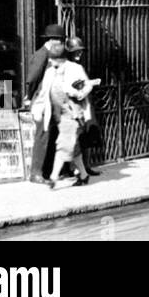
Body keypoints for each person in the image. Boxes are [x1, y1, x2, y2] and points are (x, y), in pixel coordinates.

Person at [46, 36, 95, 189]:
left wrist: (79, 93)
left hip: (73, 112)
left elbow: (87, 85)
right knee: (73, 147)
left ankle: (53, 177)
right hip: (62, 112)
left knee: (64, 144)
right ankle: (84, 175)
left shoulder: (75, 68)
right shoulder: (56, 69)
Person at [24, 24, 66, 184]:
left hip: (52, 102)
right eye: (59, 40)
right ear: (52, 40)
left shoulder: (52, 54)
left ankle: (48, 171)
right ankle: (35, 173)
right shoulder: (42, 54)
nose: (61, 43)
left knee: (51, 135)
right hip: (42, 102)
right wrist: (29, 96)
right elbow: (33, 78)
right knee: (42, 136)